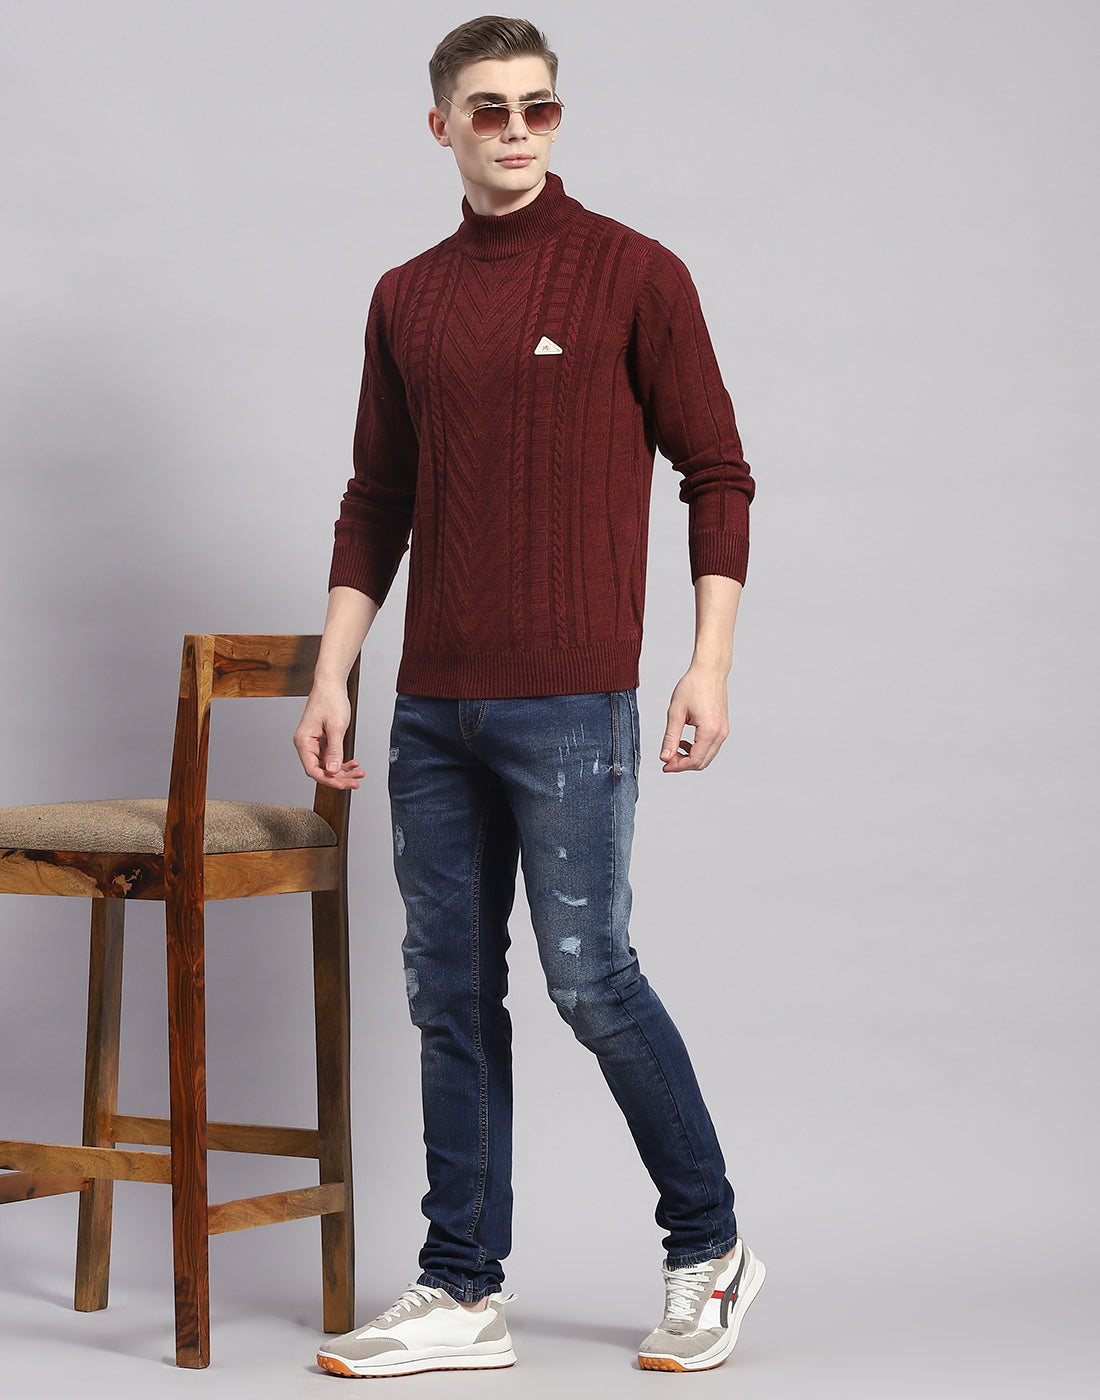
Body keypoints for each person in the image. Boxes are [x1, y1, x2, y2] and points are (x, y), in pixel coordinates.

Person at [293, 14, 764, 1379]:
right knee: (446, 995)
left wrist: (709, 660)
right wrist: (334, 675)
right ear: (441, 125)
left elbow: (718, 473)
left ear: (559, 118)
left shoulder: (634, 272)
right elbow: (377, 498)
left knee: (590, 979)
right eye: (489, 108)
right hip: (433, 709)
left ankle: (711, 1251)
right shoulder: (406, 295)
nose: (515, 130)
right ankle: (461, 1288)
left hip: (570, 702)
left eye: (538, 107)